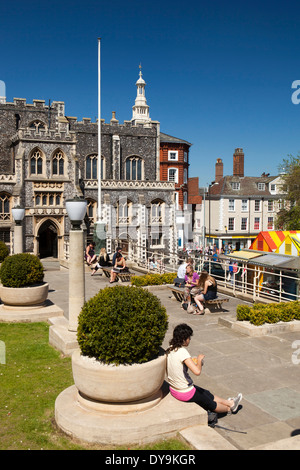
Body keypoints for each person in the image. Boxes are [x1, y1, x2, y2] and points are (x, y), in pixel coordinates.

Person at [166, 323, 242, 417]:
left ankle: (230, 402)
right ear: (184, 339)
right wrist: (199, 361)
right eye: (189, 338)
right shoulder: (183, 352)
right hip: (184, 392)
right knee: (210, 403)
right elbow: (197, 372)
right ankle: (229, 409)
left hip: (174, 388)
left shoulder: (170, 348)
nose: (190, 340)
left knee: (206, 393)